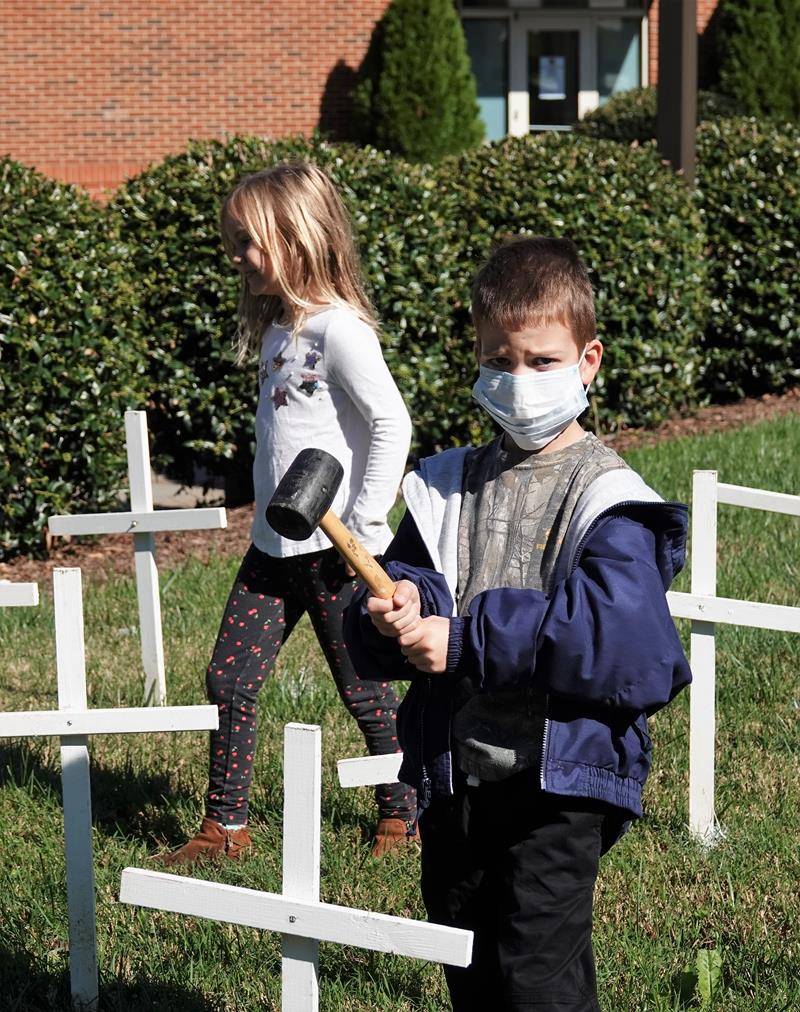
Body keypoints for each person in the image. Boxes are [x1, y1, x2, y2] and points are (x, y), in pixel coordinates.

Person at [344, 237, 692, 1011]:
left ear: (588, 361)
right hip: (457, 774)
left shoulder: (609, 495)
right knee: (469, 964)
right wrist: (393, 614)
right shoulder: (447, 485)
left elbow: (627, 647)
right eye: (500, 361)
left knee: (536, 978)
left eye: (541, 361)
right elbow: (407, 590)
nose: (519, 381)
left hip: (560, 782)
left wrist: (465, 639)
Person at [156, 162, 416, 866]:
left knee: (363, 688)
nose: (237, 257)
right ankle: (225, 830)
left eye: (248, 241)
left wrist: (365, 523)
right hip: (272, 547)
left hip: (336, 554)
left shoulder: (341, 332)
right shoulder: (280, 333)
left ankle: (403, 810)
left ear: (298, 237)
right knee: (229, 680)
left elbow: (392, 423)